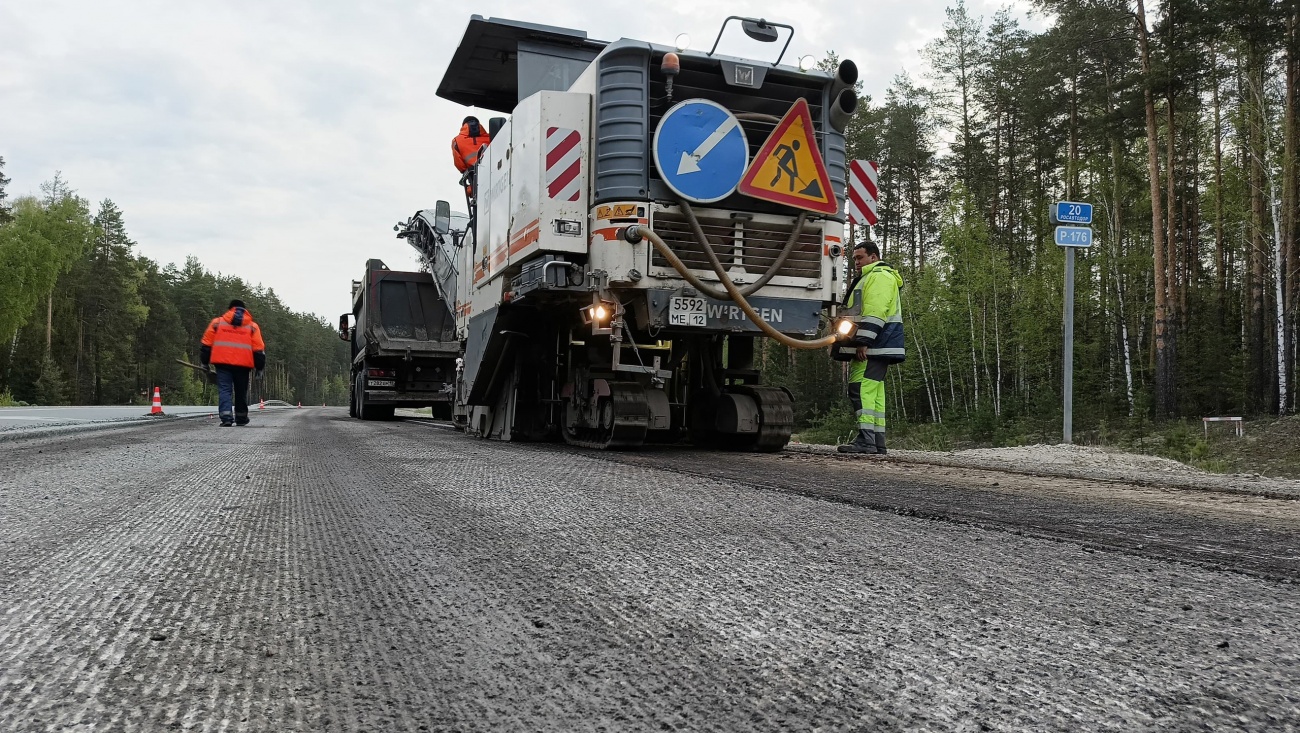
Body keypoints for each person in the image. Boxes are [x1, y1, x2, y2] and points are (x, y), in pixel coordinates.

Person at [837, 240, 905, 455]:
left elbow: (876, 312)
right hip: (880, 345)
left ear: (873, 257)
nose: (856, 262)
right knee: (873, 394)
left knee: (860, 389)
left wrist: (864, 342)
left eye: (860, 258)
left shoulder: (878, 276)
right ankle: (876, 441)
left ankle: (866, 441)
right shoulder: (875, 277)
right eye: (854, 258)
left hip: (874, 345)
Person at [200, 299, 266, 427]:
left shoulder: (217, 323)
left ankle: (226, 418)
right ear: (244, 310)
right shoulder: (252, 327)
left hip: (222, 364)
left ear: (230, 309)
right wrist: (260, 368)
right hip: (243, 365)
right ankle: (241, 418)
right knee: (241, 391)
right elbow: (259, 350)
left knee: (225, 390)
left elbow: (206, 345)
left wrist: (204, 363)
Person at [451, 116, 492, 195]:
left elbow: (459, 163)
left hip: (473, 175)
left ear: (463, 126)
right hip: (492, 169)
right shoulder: (490, 136)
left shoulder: (456, 140)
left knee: (473, 193)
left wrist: (464, 170)